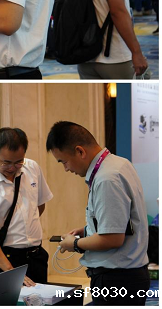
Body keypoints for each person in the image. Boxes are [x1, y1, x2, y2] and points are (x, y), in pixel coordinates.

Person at [47, 121, 149, 306]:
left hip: (117, 280)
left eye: (64, 161)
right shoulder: (118, 164)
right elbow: (122, 222)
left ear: (80, 151)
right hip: (127, 275)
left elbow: (112, 239)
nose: (66, 169)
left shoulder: (106, 179)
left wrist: (74, 244)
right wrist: (87, 231)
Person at [0, 127, 52, 286]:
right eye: (6, 162)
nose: (12, 168)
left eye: (18, 162)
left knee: (40, 299)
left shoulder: (32, 168)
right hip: (4, 259)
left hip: (36, 256)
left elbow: (39, 205)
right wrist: (10, 271)